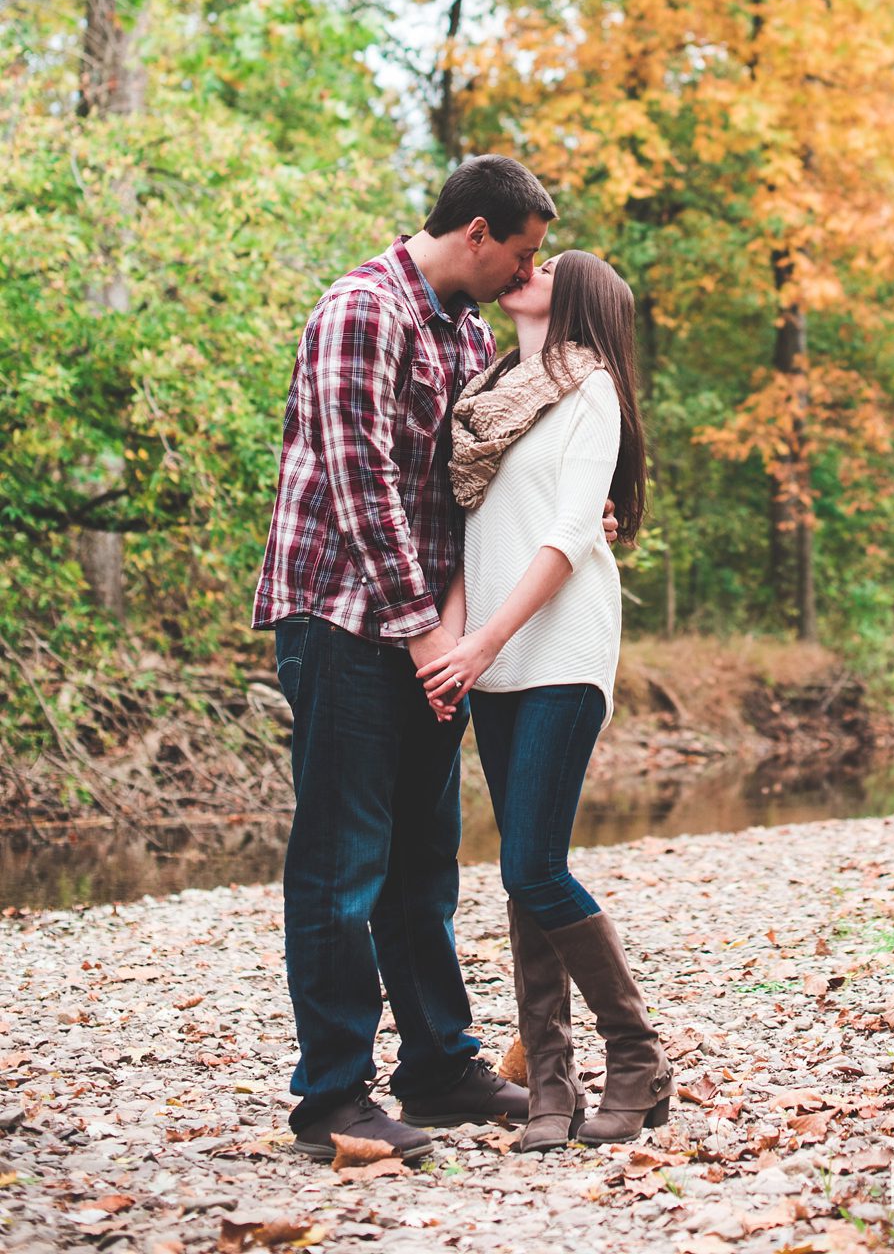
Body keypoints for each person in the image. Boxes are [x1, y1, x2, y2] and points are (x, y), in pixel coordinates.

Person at [253, 156, 568, 1162]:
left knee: (426, 860)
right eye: (519, 249)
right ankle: (332, 1100)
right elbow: (361, 488)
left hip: (427, 633)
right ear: (476, 231)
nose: (528, 267)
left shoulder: (464, 331)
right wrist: (427, 631)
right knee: (344, 862)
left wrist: (577, 505)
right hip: (347, 622)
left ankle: (436, 1067)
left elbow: (475, 473)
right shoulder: (361, 309)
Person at [417, 249, 673, 1154]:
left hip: (558, 648)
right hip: (490, 657)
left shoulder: (589, 389)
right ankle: (553, 1088)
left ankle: (636, 1059)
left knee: (531, 865)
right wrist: (456, 637)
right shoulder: (488, 395)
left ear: (582, 300)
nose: (532, 266)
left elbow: (570, 530)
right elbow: (465, 531)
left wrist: (483, 638)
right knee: (526, 866)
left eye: (552, 262)